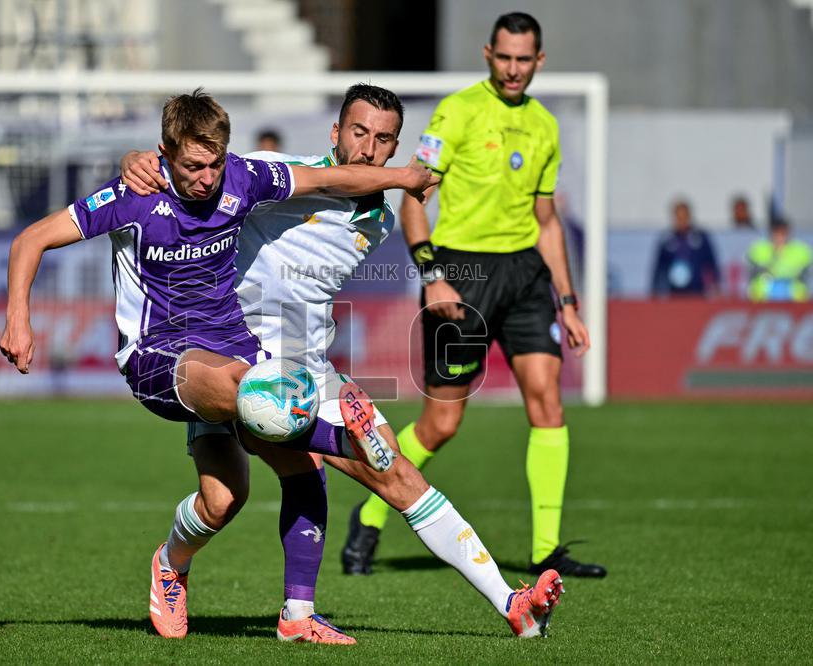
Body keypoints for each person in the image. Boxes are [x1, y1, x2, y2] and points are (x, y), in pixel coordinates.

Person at [119, 85, 566, 642]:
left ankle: (512, 605)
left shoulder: (377, 218)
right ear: (335, 134)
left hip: (307, 366)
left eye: (383, 139)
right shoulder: (281, 173)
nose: (368, 148)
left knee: (390, 473)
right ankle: (177, 565)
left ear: (395, 145)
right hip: (227, 358)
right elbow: (198, 159)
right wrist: (139, 160)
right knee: (239, 492)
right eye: (358, 132)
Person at [342, 12, 606, 580]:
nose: (513, 69)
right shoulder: (456, 112)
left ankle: (545, 551)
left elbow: (548, 219)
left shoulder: (545, 126)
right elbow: (415, 197)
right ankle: (368, 514)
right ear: (489, 54)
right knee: (441, 425)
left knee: (548, 402)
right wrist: (431, 273)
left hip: (527, 276)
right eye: (504, 57)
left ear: (540, 61)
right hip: (461, 274)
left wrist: (568, 300)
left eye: (524, 59)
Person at [650, 198, 721, 297]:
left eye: (684, 217)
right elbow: (659, 270)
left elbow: (711, 265)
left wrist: (716, 286)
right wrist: (655, 291)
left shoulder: (701, 238)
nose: (681, 221)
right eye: (678, 217)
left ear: (689, 217)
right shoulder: (666, 240)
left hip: (697, 291)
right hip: (673, 292)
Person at [747, 219, 811, 302]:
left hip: (795, 300)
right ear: (771, 233)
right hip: (762, 299)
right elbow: (752, 272)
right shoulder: (758, 249)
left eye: (783, 233)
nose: (780, 236)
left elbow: (807, 275)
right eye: (777, 232)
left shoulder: (801, 250)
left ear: (788, 233)